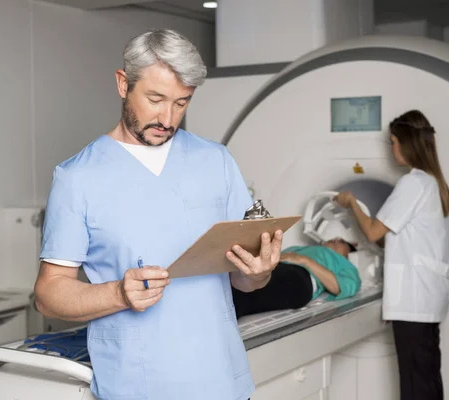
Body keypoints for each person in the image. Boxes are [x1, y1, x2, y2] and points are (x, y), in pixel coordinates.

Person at [33, 29, 283, 400]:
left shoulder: (215, 161)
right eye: (155, 99)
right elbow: (48, 293)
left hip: (222, 382)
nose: (168, 118)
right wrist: (118, 293)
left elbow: (242, 280)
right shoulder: (78, 178)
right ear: (123, 84)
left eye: (182, 103)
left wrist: (260, 274)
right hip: (138, 386)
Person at [334, 109, 449, 400]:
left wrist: (351, 203)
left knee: (416, 386)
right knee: (425, 380)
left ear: (406, 144)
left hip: (415, 300)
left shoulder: (413, 182)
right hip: (423, 299)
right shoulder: (431, 183)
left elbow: (374, 230)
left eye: (393, 142)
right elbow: (404, 239)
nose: (392, 148)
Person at [232, 237, 362, 319]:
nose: (337, 239)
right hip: (275, 268)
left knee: (246, 295)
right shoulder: (301, 248)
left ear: (348, 255)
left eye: (343, 242)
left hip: (300, 278)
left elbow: (339, 287)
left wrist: (304, 260)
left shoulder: (346, 265)